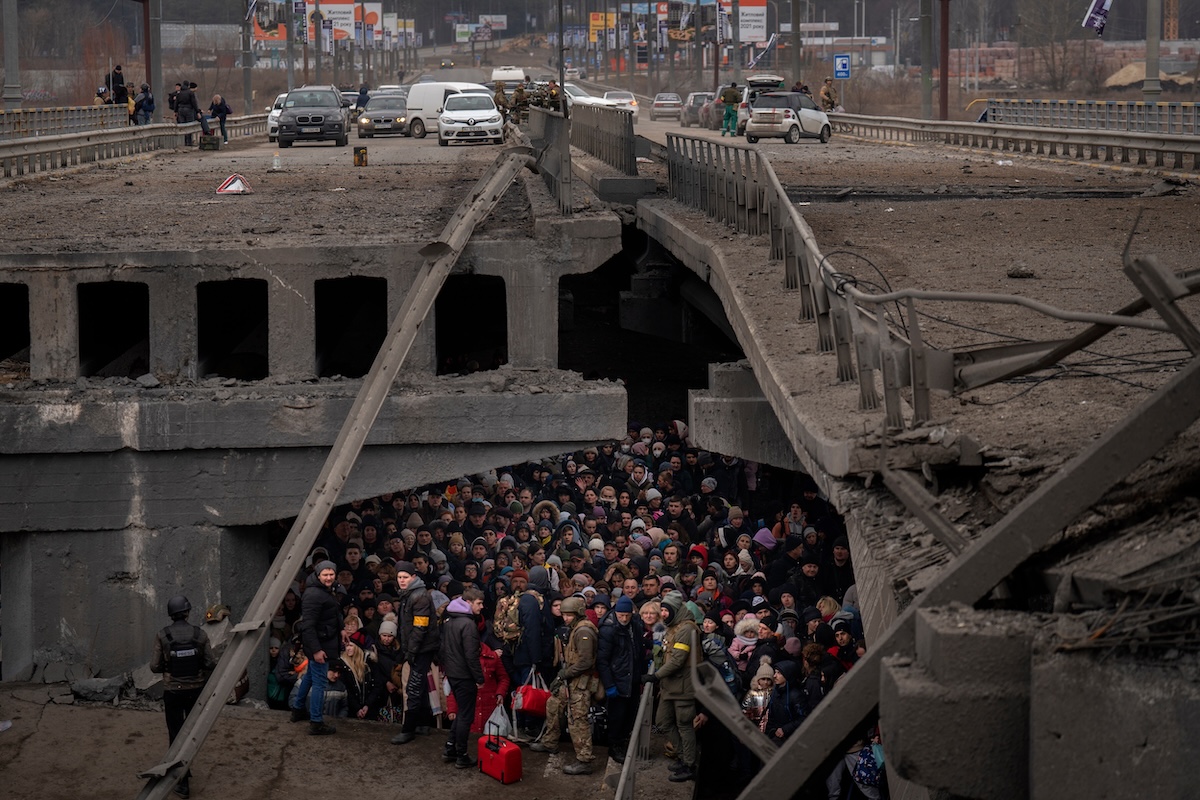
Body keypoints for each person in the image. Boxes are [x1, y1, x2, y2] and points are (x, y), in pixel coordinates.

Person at [150, 595, 216, 799]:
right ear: (187, 612)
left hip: (173, 691)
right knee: (192, 733)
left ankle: (182, 781)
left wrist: (169, 667)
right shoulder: (201, 634)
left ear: (171, 614)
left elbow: (154, 666)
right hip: (195, 690)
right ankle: (186, 769)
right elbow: (209, 663)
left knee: (176, 734)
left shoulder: (163, 635)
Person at [530, 595, 598, 775]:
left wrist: (563, 674)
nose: (565, 618)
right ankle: (550, 741)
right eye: (564, 614)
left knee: (577, 719)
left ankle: (584, 759)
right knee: (553, 704)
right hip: (570, 679)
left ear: (577, 613)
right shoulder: (575, 628)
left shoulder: (584, 631)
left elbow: (585, 662)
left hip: (580, 682)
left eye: (569, 615)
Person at [642, 591, 700, 782]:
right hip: (670, 686)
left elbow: (677, 660)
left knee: (684, 725)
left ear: (676, 610)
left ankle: (689, 764)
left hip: (683, 687)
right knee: (663, 721)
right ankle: (683, 756)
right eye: (662, 610)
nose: (663, 614)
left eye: (666, 610)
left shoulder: (687, 629)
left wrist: (655, 676)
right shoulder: (673, 627)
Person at [391, 559, 441, 744]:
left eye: (405, 577)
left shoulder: (418, 596)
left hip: (421, 649)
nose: (402, 580)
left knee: (413, 686)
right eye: (399, 577)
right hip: (419, 647)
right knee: (418, 685)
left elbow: (420, 627)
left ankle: (408, 729)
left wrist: (410, 651)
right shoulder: (410, 594)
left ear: (413, 577)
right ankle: (423, 723)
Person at [290, 560, 341, 735]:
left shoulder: (323, 590)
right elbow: (308, 626)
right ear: (318, 575)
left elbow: (331, 615)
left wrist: (341, 631)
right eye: (325, 574)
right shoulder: (314, 595)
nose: (328, 577)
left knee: (310, 676)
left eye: (331, 574)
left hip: (322, 641)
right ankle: (316, 721)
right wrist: (317, 650)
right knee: (320, 682)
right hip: (320, 645)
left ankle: (298, 709)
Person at [439, 586, 486, 768]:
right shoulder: (468, 624)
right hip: (465, 676)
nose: (481, 607)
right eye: (479, 603)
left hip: (453, 673)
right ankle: (461, 755)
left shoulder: (449, 620)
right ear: (468, 603)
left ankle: (450, 748)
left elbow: (443, 648)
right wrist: (479, 678)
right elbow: (471, 656)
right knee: (466, 716)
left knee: (461, 713)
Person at [596, 593, 645, 763]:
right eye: (621, 615)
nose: (624, 618)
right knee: (617, 716)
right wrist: (609, 684)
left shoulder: (636, 625)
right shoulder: (609, 629)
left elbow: (638, 649)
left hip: (632, 677)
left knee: (630, 714)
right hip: (618, 678)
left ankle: (623, 741)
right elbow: (602, 660)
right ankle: (615, 745)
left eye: (627, 615)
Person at [174, 81, 200, 145]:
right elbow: (194, 103)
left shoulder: (179, 93)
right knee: (189, 125)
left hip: (180, 110)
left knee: (183, 126)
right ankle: (189, 141)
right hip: (188, 109)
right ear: (188, 86)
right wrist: (197, 111)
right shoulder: (190, 93)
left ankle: (184, 141)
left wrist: (175, 111)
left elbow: (176, 103)